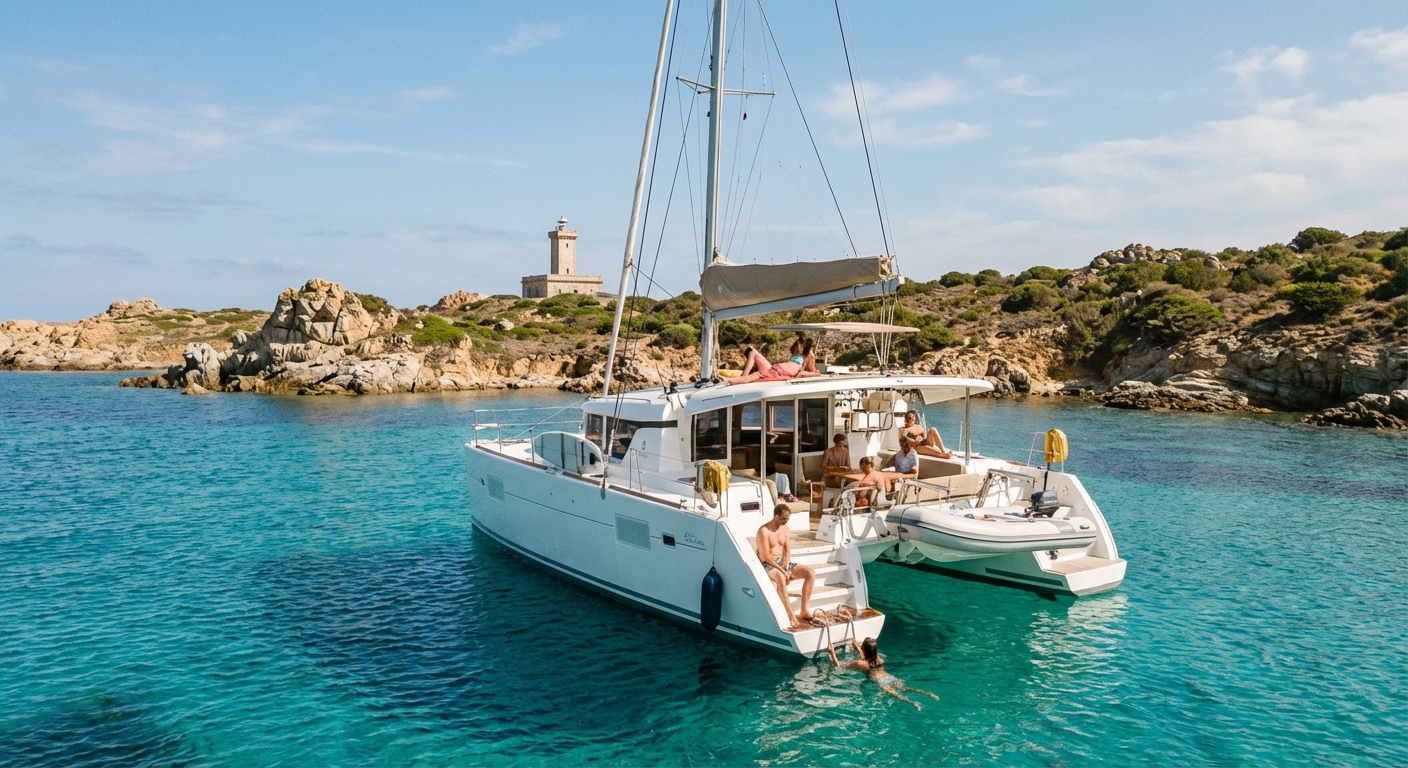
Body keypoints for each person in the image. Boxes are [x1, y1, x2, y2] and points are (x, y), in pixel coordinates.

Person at [827, 637, 940, 710]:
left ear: (864, 649)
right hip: (889, 677)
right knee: (906, 688)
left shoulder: (860, 664)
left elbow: (840, 666)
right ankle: (929, 694)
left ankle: (913, 703)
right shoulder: (878, 659)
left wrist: (832, 652)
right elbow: (866, 657)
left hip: (880, 681)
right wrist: (858, 648)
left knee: (897, 695)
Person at [757, 505, 817, 629]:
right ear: (776, 516)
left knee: (810, 573)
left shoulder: (785, 529)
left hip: (781, 563)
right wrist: (782, 571)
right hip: (767, 563)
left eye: (788, 519)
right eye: (784, 518)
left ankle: (804, 610)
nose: (786, 521)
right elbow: (765, 556)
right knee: (779, 576)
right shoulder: (764, 530)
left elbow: (787, 549)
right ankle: (790, 615)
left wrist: (787, 568)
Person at [725, 336, 821, 385]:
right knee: (752, 351)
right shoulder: (798, 359)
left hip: (775, 372)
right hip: (774, 369)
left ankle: (732, 379)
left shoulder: (804, 362)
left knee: (755, 374)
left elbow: (806, 372)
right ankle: (741, 377)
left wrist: (814, 373)